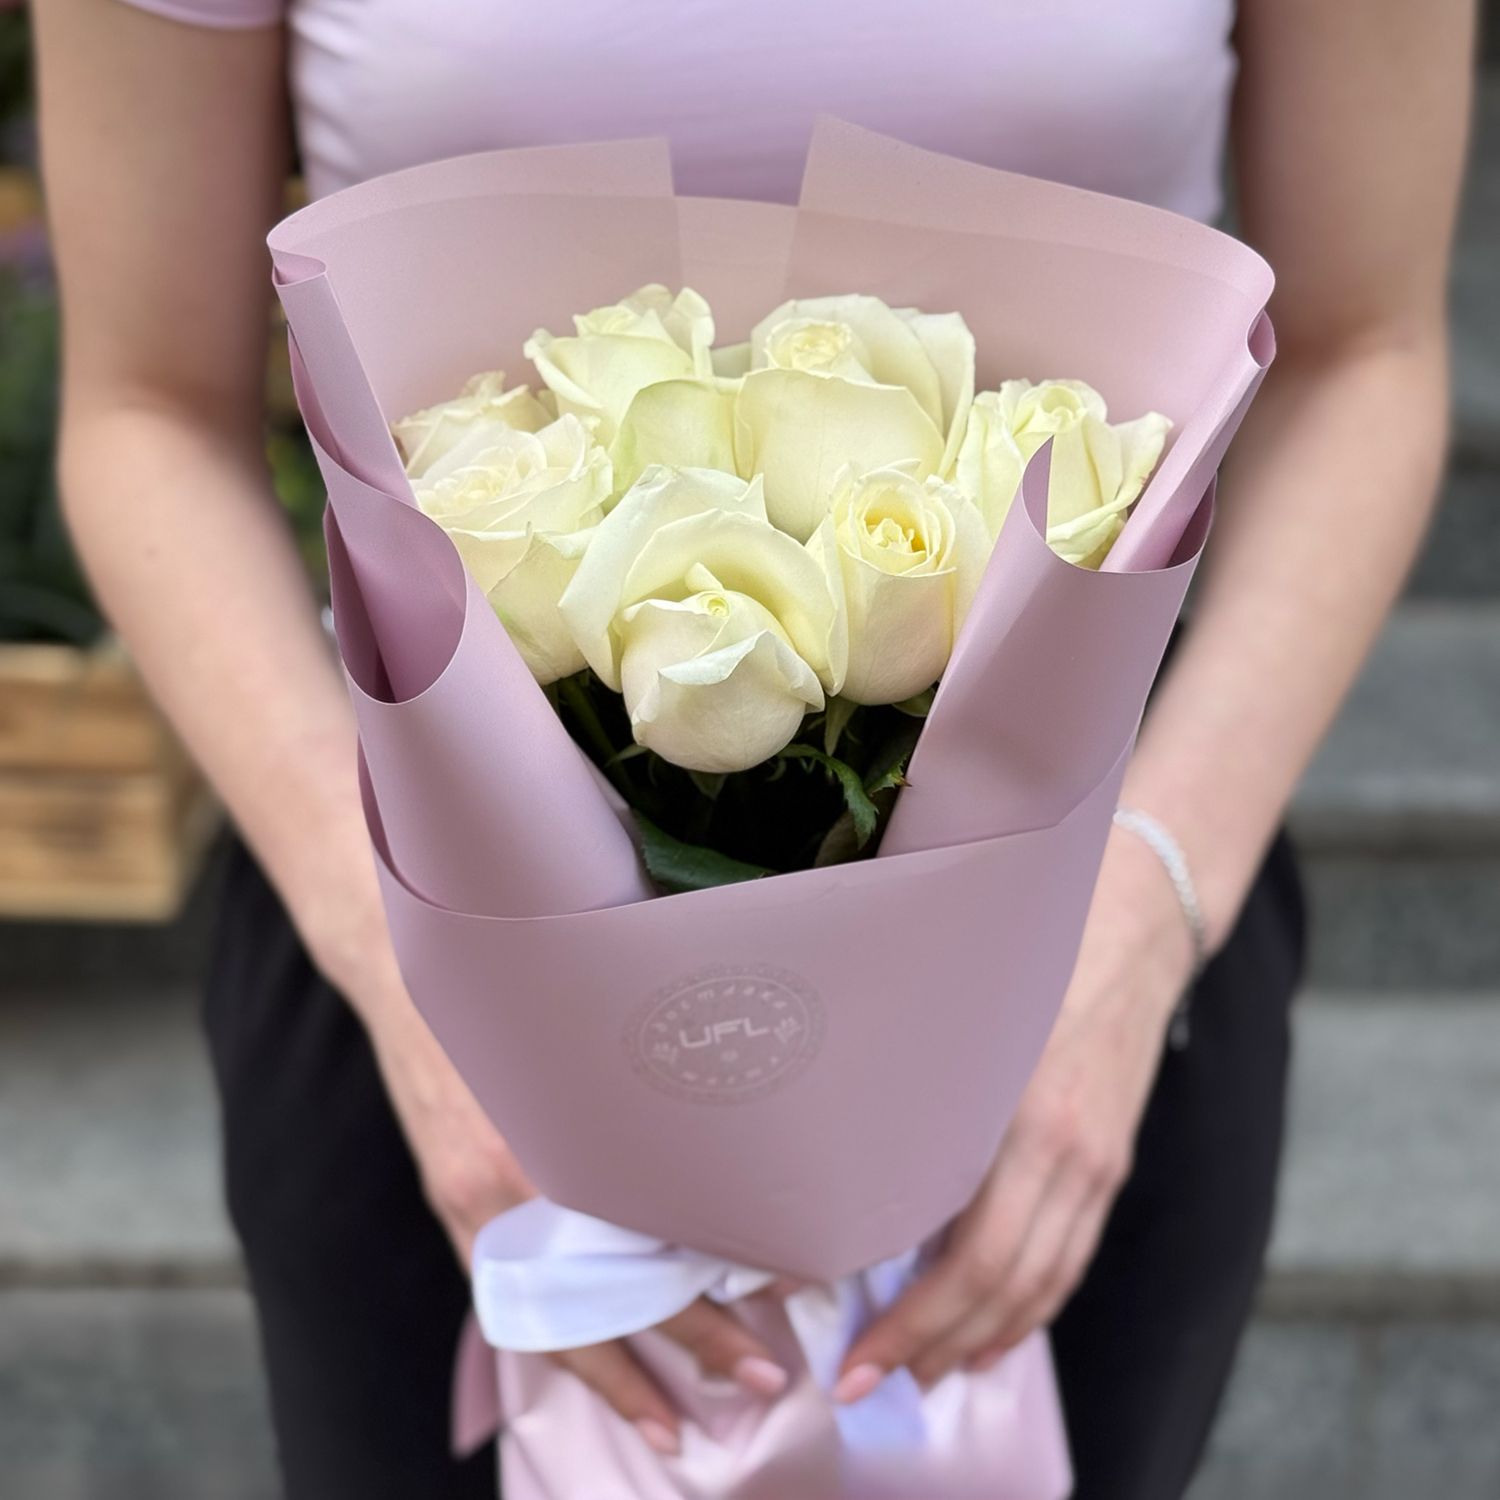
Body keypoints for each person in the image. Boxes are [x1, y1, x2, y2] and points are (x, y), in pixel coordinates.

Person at [32, 1, 1474, 1496]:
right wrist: (418, 971)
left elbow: (1363, 348)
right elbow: (149, 406)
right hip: (418, 955)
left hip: (1097, 940)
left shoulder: (1114, 958)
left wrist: (1130, 930)